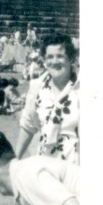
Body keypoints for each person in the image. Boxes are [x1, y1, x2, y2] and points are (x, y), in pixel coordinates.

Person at [16, 32, 80, 164]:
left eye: (60, 56)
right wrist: (15, 159)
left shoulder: (84, 89)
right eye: (49, 57)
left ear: (71, 59)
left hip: (76, 167)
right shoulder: (36, 87)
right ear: (44, 60)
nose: (54, 61)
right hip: (45, 164)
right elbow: (28, 126)